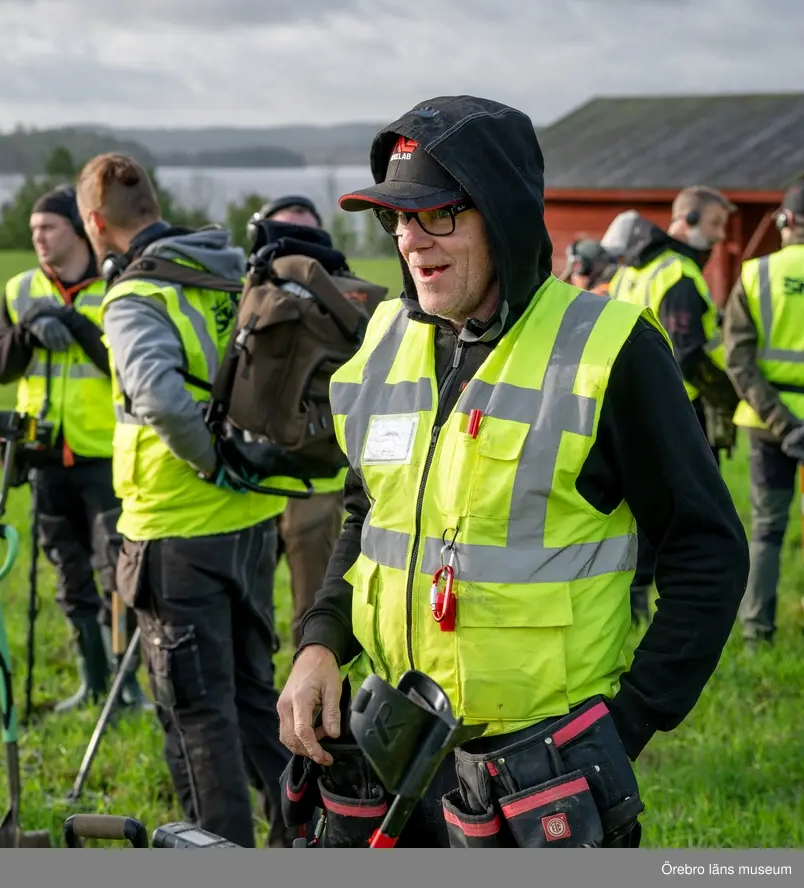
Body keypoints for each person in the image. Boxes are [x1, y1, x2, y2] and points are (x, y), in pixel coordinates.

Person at [276, 95, 749, 850]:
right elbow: (370, 517)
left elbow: (709, 548)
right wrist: (320, 644)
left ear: (500, 216)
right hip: (391, 747)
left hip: (543, 778)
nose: (411, 242)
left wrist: (626, 723)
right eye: (398, 219)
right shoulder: (386, 338)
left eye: (438, 215)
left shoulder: (611, 350)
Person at [75, 153, 291, 848]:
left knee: (201, 716)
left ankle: (217, 855)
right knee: (258, 698)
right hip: (255, 521)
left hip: (177, 528)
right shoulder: (227, 270)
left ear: (95, 223)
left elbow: (160, 398)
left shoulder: (135, 296)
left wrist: (212, 461)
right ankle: (308, 839)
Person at [0, 185, 147, 712]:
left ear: (78, 230)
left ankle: (128, 686)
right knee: (68, 573)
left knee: (116, 574)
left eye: (48, 228)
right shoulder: (19, 289)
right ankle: (93, 683)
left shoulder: (115, 285)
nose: (39, 239)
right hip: (44, 457)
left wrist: (74, 324)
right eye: (33, 231)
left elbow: (122, 365)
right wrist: (28, 328)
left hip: (107, 456)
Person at [607, 185, 741, 622]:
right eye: (716, 225)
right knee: (689, 516)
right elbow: (687, 352)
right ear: (689, 220)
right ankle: (681, 606)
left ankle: (634, 597)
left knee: (638, 507)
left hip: (627, 407)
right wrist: (725, 398)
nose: (720, 237)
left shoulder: (634, 268)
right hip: (680, 409)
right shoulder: (679, 273)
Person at [246, 194, 348, 649]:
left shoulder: (348, 299)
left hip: (316, 487)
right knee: (247, 615)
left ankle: (310, 715)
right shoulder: (247, 293)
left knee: (314, 620)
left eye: (307, 236)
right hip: (250, 482)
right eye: (286, 235)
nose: (297, 248)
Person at [723, 178, 804, 648]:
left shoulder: (756, 275)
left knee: (768, 530)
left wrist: (781, 420)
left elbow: (738, 358)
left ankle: (757, 634)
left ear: (784, 222)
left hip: (767, 427)